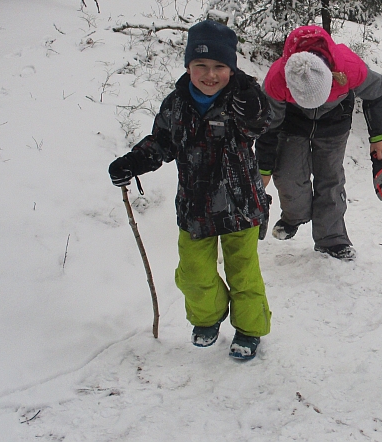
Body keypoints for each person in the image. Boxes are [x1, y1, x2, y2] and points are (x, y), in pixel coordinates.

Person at [108, 20, 272, 361]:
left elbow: (260, 124)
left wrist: (254, 107)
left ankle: (249, 328)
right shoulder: (176, 104)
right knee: (193, 272)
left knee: (243, 273)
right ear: (188, 66)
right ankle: (208, 318)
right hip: (195, 206)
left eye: (219, 67)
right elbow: (162, 143)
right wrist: (133, 162)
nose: (209, 75)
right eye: (201, 66)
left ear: (231, 68)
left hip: (240, 206)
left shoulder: (242, 99)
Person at [256, 25, 382, 261]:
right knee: (288, 176)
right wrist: (263, 168)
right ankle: (294, 216)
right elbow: (269, 126)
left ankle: (331, 238)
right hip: (293, 125)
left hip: (334, 123)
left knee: (329, 178)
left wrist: (379, 137)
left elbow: (376, 91)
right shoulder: (277, 80)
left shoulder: (348, 67)